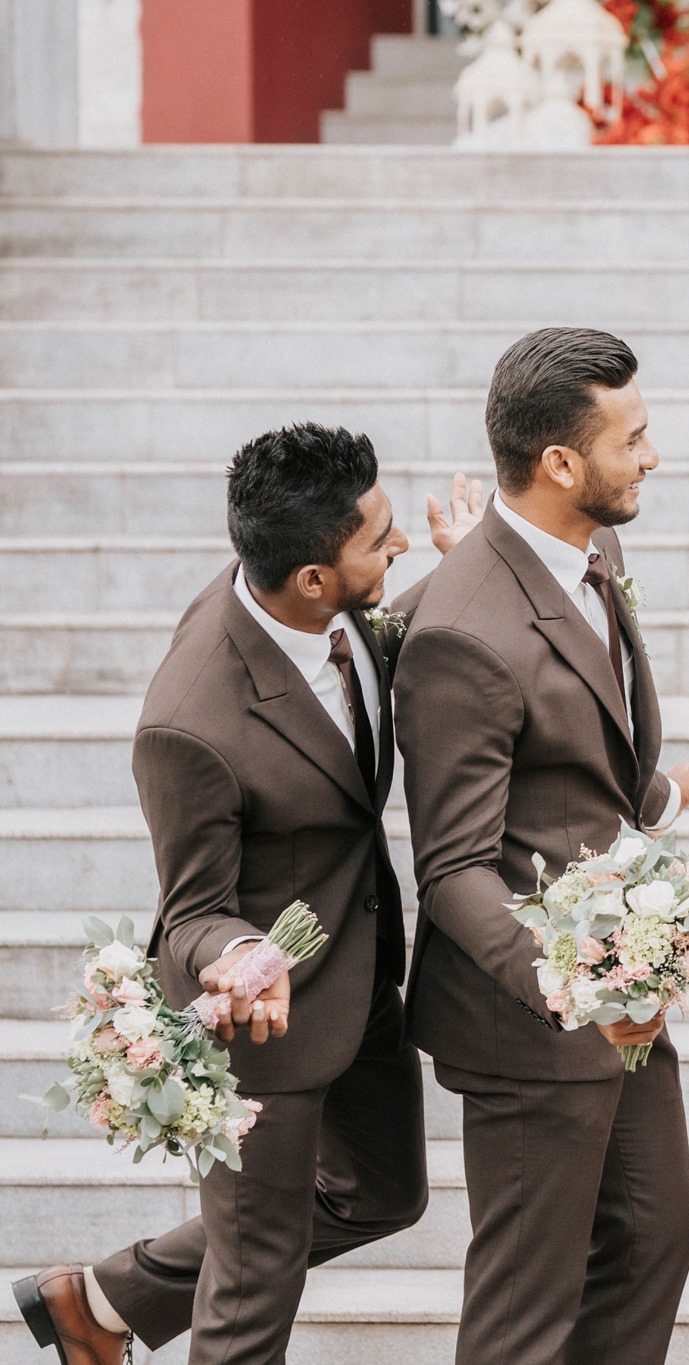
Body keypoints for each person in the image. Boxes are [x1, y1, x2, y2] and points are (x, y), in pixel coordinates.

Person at [14, 424, 425, 1364]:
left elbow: (380, 641)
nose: (400, 545)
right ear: (312, 577)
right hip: (264, 1021)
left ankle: (99, 1301)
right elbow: (193, 910)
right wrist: (241, 952)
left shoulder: (314, 598)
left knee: (386, 1193)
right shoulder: (189, 724)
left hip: (361, 975)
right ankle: (103, 1308)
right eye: (382, 539)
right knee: (253, 1283)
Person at [393, 327, 689, 1365]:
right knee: (526, 1308)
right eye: (632, 439)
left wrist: (656, 798)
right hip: (527, 1017)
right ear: (560, 465)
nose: (652, 456)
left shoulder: (593, 546)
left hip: (618, 994)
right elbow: (452, 868)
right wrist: (569, 983)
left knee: (656, 1233)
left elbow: (583, 748)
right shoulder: (463, 633)